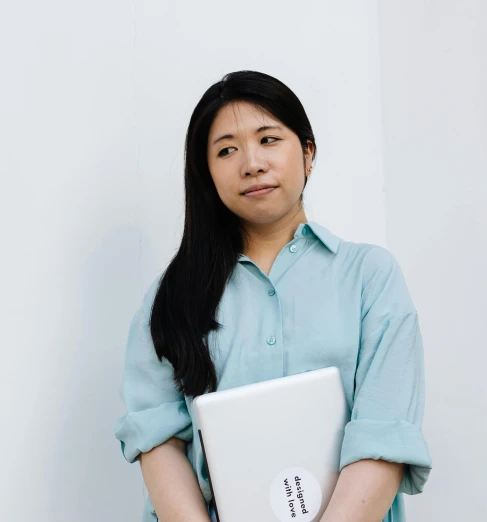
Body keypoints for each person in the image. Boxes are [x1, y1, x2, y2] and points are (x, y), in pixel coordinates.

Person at [113, 70, 432, 522]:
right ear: (207, 173)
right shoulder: (171, 297)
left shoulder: (370, 276)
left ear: (307, 152)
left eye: (268, 139)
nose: (252, 164)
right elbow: (158, 442)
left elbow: (383, 439)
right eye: (227, 150)